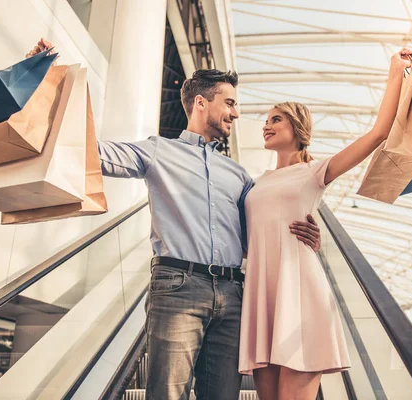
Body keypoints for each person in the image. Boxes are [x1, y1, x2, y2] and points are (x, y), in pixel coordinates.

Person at [26, 39, 322, 400]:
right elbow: (89, 151)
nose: (236, 113)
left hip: (233, 294)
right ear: (201, 102)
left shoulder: (240, 176)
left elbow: (260, 233)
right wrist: (43, 85)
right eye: (229, 103)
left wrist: (306, 236)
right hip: (177, 287)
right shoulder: (157, 152)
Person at [239, 48, 412, 400]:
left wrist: (395, 71)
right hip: (262, 297)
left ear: (297, 127)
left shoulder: (315, 171)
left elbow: (379, 132)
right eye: (267, 120)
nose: (266, 125)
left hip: (301, 294)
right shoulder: (254, 182)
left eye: (276, 119)